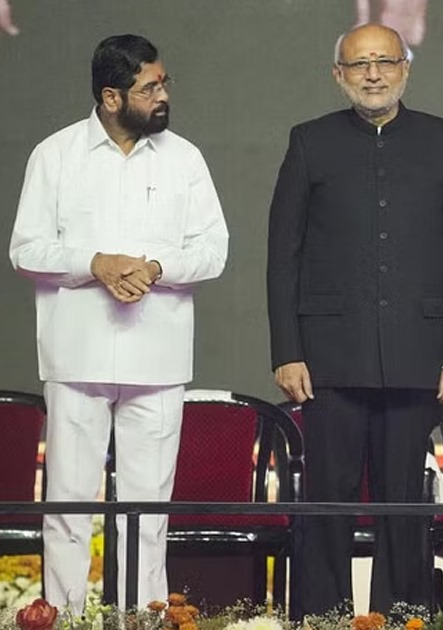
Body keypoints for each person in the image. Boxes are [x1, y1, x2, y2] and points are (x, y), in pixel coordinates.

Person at [266, 23, 443, 615]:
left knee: (404, 504)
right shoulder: (310, 141)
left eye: (385, 62)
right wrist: (287, 349)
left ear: (405, 68)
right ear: (338, 75)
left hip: (419, 354)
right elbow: (283, 255)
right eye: (359, 64)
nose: (373, 74)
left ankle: (405, 617)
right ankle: (322, 619)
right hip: (328, 357)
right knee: (327, 503)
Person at [9, 34, 228, 612]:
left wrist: (156, 268)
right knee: (68, 507)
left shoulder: (185, 159)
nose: (163, 96)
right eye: (149, 88)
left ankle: (141, 622)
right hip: (75, 356)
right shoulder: (55, 154)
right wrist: (95, 264)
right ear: (111, 97)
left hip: (158, 359)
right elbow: (25, 249)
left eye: (164, 84)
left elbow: (214, 251)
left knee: (148, 511)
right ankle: (63, 621)